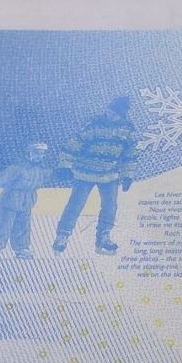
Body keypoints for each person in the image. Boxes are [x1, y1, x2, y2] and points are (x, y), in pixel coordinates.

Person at [52, 96, 138, 255]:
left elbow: (130, 154)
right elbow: (75, 143)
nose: (110, 115)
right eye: (109, 111)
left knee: (110, 207)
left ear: (122, 115)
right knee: (76, 204)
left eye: (115, 113)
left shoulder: (128, 129)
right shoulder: (94, 124)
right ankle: (62, 235)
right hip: (85, 172)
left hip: (109, 175)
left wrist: (128, 175)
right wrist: (65, 165)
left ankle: (103, 237)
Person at [0, 141, 53, 258]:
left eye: (42, 154)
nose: (39, 156)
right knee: (3, 224)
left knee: (23, 225)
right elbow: (2, 177)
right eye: (36, 153)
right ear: (29, 153)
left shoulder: (40, 170)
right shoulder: (18, 167)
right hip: (11, 200)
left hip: (27, 201)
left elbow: (50, 176)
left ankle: (21, 248)